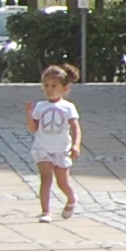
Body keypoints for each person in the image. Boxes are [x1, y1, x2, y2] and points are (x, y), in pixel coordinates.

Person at [29, 65, 83, 221]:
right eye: (46, 85)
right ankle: (46, 211)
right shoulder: (40, 106)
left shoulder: (68, 107)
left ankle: (71, 198)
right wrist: (28, 114)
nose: (49, 89)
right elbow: (34, 128)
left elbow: (75, 128)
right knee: (45, 179)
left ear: (64, 88)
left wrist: (76, 145)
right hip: (43, 148)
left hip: (61, 150)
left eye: (54, 86)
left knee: (62, 183)